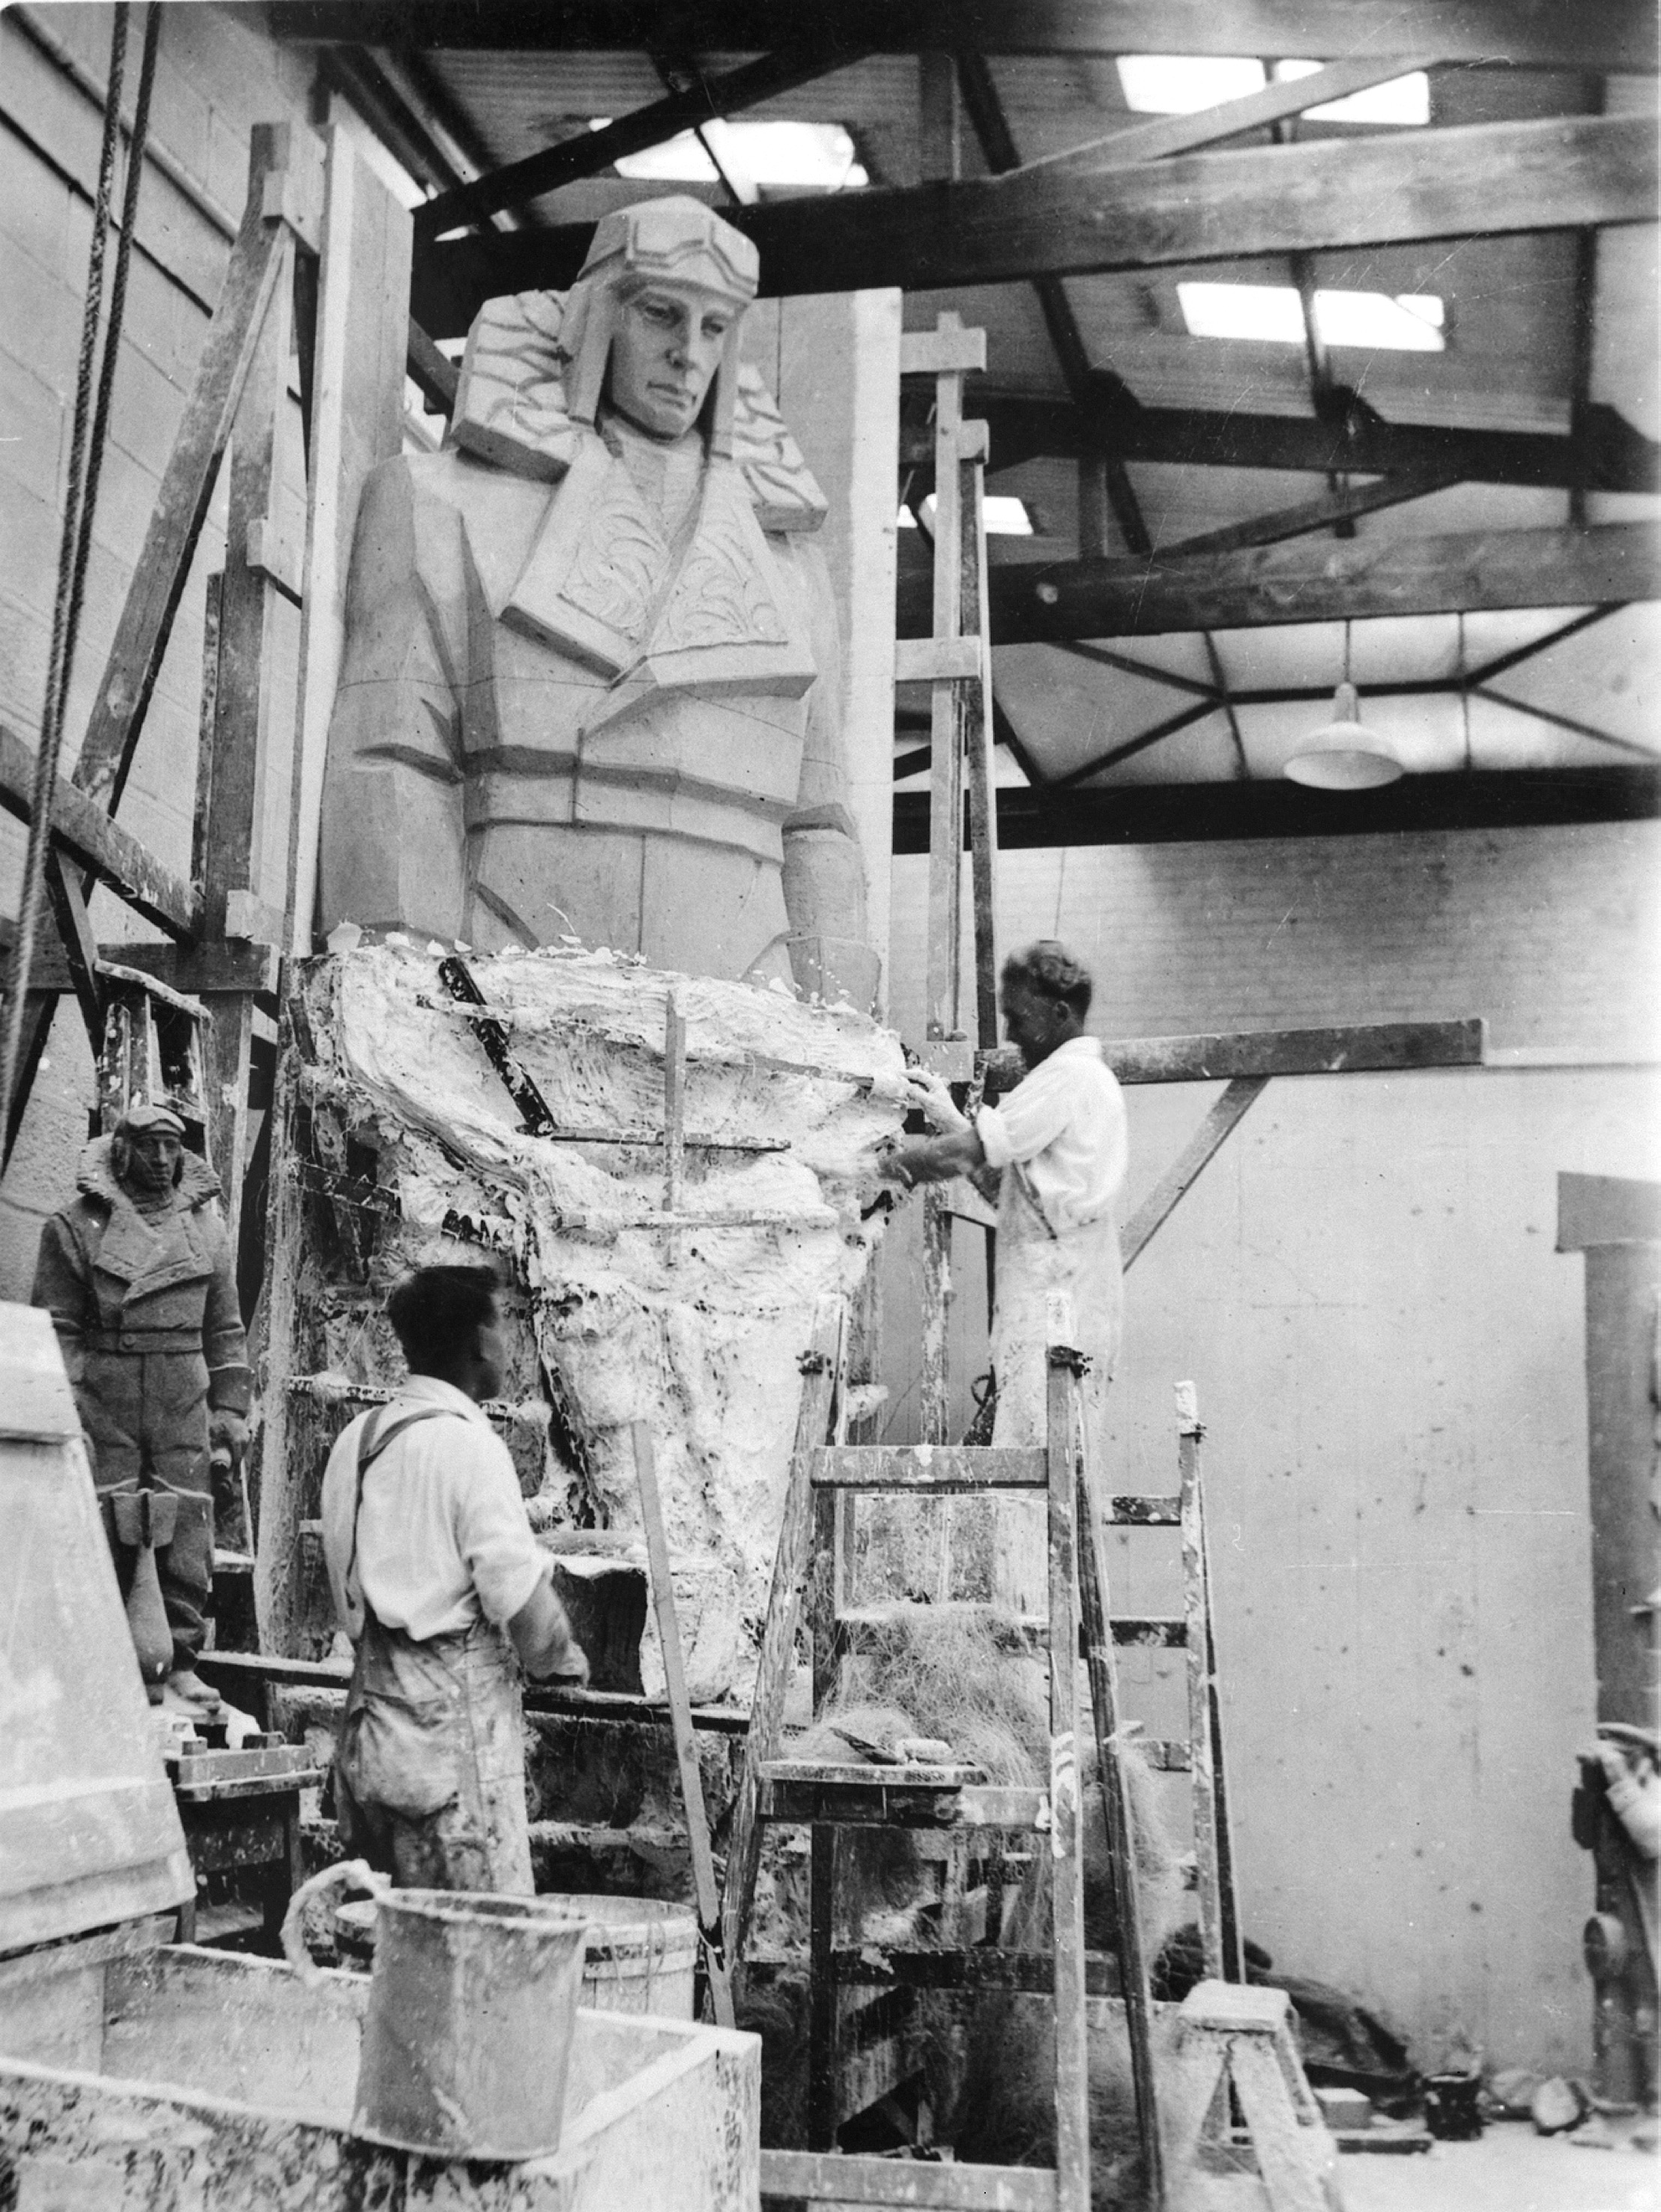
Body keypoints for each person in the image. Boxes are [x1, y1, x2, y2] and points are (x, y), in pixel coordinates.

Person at [318, 193, 877, 1010]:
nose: (689, 354)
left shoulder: (789, 568)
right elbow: (394, 770)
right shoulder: (443, 504)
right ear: (597, 316)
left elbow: (820, 828)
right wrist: (410, 1003)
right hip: (512, 974)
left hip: (747, 993)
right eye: (661, 314)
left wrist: (845, 1032)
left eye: (715, 328)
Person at [320, 1264, 589, 1893]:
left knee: (387, 1959)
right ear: (480, 1342)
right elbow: (529, 1618)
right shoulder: (472, 1448)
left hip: (370, 1749)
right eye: (503, 1325)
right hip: (448, 1766)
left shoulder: (356, 1441)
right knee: (479, 1957)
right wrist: (562, 1656)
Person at [877, 944, 1128, 1602]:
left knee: (1032, 1481)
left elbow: (967, 1154)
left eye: (1018, 1018)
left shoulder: (1068, 1079)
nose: (1012, 1034)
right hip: (1061, 1306)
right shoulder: (1075, 1085)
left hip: (1054, 1316)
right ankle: (1039, 1633)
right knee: (1042, 1476)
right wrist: (944, 1113)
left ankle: (1030, 1643)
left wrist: (875, 1167)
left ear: (1059, 1010)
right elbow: (1004, 1189)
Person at [32, 1101, 249, 1709]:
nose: (161, 1160)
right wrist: (71, 1396)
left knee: (185, 1515)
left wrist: (230, 1407)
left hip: (183, 1385)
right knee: (106, 1512)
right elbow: (58, 1326)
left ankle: (179, 1656)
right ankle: (101, 1656)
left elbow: (225, 1328)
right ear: (121, 1150)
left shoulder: (206, 1228)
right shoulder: (74, 1226)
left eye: (171, 1146)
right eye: (148, 1146)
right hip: (110, 1385)